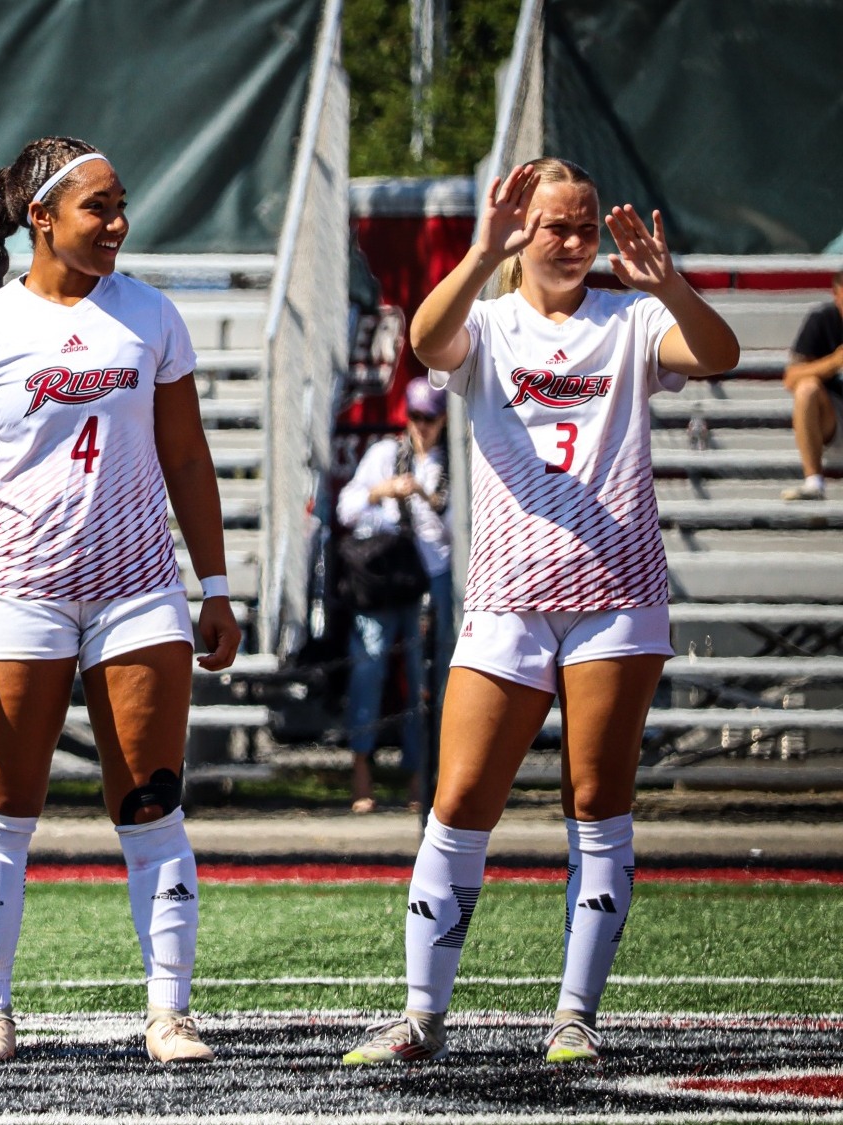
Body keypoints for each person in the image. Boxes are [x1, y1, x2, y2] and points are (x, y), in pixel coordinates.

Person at [342, 159, 738, 1067]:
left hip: (617, 598)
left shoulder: (633, 318)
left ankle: (574, 1014)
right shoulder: (486, 319)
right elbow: (425, 343)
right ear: (521, 229)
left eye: (584, 224)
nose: (572, 240)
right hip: (508, 597)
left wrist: (668, 282)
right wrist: (482, 251)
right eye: (555, 225)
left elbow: (719, 355)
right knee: (460, 802)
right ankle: (420, 1016)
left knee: (596, 803)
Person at [0, 137, 241, 1064]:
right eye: (98, 208)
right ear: (42, 219)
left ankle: (170, 1011)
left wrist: (215, 585)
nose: (117, 224)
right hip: (18, 592)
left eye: (120, 205)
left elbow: (188, 457)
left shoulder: (151, 314)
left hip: (139, 590)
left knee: (152, 802)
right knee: (2, 805)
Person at [336, 379, 452, 812]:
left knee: (428, 682)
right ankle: (362, 771)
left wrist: (424, 495)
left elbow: (457, 535)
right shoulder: (385, 454)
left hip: (431, 577)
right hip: (384, 577)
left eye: (431, 418)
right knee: (369, 667)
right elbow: (347, 509)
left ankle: (421, 778)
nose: (423, 427)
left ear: (443, 419)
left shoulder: (451, 463)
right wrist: (380, 491)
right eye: (416, 417)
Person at [780, 268, 843, 501]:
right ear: (836, 294)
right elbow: (791, 379)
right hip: (835, 417)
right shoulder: (822, 320)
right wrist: (834, 362)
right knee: (806, 388)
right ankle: (814, 482)